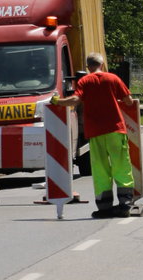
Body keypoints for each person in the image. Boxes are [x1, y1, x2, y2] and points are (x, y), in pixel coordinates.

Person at [53, 54, 137, 217]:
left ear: (88, 67)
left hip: (96, 132)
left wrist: (58, 102)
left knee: (100, 169)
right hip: (115, 130)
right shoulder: (113, 78)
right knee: (121, 166)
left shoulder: (84, 81)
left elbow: (75, 99)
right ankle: (125, 204)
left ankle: (104, 207)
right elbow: (128, 101)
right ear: (102, 64)